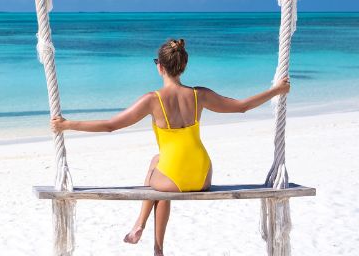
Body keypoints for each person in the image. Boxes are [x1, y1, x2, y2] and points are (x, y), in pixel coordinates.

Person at [51, 38, 290, 255]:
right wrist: (276, 90)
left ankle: (145, 233)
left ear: (160, 67)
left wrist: (67, 124)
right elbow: (241, 106)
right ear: (183, 67)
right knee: (160, 165)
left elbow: (111, 125)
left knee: (157, 170)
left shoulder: (152, 100)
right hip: (202, 175)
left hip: (174, 178)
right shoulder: (199, 95)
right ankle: (151, 241)